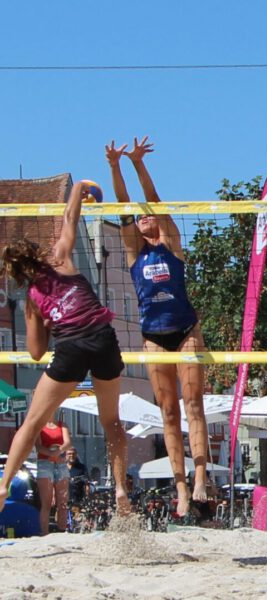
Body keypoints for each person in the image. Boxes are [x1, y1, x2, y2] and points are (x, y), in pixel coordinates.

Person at [0, 180, 131, 520]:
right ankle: (119, 489)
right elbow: (70, 218)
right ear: (36, 252)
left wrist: (45, 321)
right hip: (103, 339)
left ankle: (3, 485)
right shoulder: (60, 258)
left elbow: (35, 353)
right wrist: (81, 188)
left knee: (31, 422)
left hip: (72, 347)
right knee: (112, 421)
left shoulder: (31, 299)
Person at [105, 136, 209, 516]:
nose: (145, 217)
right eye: (141, 215)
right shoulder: (135, 250)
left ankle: (200, 477)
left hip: (185, 331)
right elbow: (123, 207)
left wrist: (137, 163)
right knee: (168, 411)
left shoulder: (172, 245)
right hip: (153, 336)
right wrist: (115, 167)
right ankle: (180, 488)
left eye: (149, 215)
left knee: (193, 403)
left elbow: (156, 201)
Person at [36, 416, 71, 534]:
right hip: (45, 463)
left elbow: (68, 443)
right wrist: (51, 453)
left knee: (62, 502)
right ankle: (44, 533)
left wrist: (58, 451)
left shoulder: (62, 425)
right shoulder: (39, 425)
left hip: (60, 462)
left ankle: (62, 530)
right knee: (46, 502)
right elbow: (38, 446)